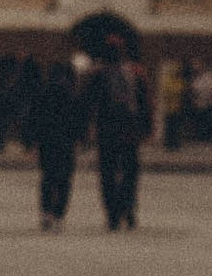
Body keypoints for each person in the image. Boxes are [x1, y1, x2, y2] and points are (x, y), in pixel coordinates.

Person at [95, 48, 149, 231]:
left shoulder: (99, 74)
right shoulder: (135, 73)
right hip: (129, 132)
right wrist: (146, 128)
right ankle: (129, 209)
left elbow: (89, 102)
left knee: (108, 174)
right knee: (130, 173)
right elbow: (145, 102)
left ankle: (113, 215)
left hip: (107, 131)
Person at [30, 55, 85, 229]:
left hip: (47, 142)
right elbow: (79, 120)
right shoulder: (72, 95)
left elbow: (34, 118)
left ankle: (46, 212)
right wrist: (81, 139)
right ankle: (59, 213)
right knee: (64, 180)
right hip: (66, 142)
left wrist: (32, 141)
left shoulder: (43, 93)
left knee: (47, 178)